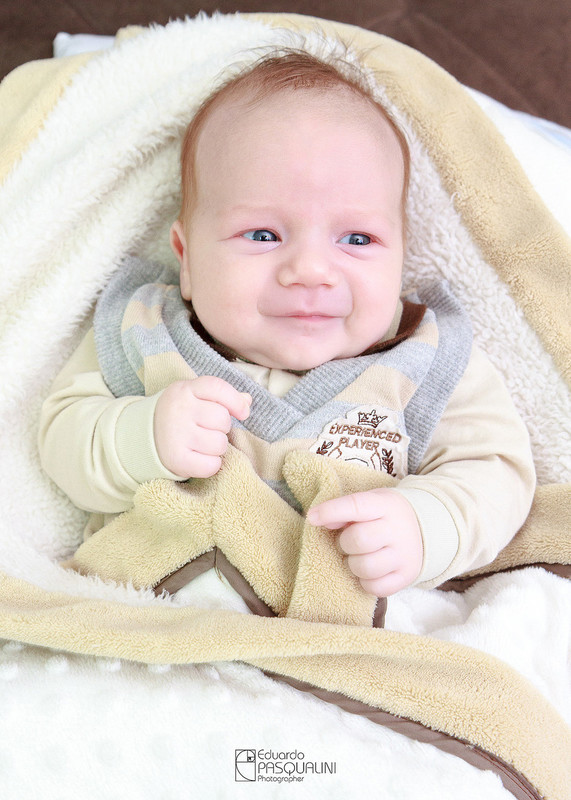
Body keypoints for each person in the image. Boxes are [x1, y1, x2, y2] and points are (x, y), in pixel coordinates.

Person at [38, 49, 535, 598]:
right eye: (263, 235)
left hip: (338, 642)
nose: (311, 271)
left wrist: (427, 525)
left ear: (401, 257)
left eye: (357, 239)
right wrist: (142, 436)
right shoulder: (145, 334)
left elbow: (498, 473)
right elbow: (61, 438)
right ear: (187, 258)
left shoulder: (426, 359)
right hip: (148, 619)